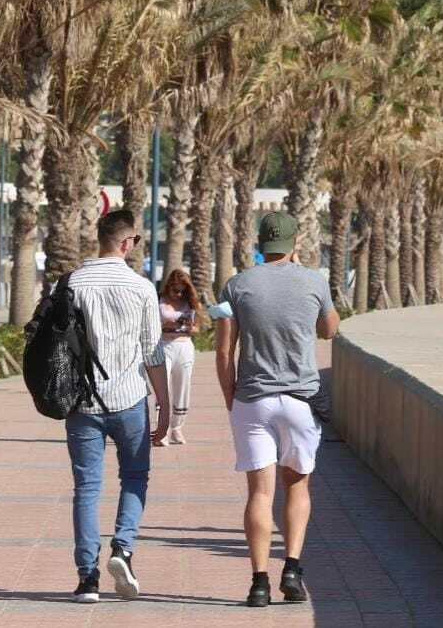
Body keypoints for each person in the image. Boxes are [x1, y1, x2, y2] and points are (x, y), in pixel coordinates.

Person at [215, 211, 339, 608]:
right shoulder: (313, 282)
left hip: (252, 400)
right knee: (297, 486)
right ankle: (292, 567)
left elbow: (223, 350)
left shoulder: (237, 285)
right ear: (294, 242)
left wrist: (231, 396)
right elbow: (330, 329)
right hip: (299, 400)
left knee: (259, 493)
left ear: (261, 243)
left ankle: (258, 583)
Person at [65, 209, 169, 603]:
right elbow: (152, 353)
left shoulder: (73, 283)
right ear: (126, 243)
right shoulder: (141, 288)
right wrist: (167, 406)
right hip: (129, 401)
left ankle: (87, 578)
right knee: (136, 477)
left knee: (86, 489)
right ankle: (122, 549)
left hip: (82, 404)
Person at [156, 269, 203, 446]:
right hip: (163, 345)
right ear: (168, 287)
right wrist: (165, 325)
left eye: (182, 290)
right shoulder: (158, 299)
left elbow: (197, 328)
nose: (178, 294)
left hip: (184, 344)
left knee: (183, 387)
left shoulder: (189, 303)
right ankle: (162, 430)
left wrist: (189, 327)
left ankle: (177, 428)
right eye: (175, 290)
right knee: (162, 388)